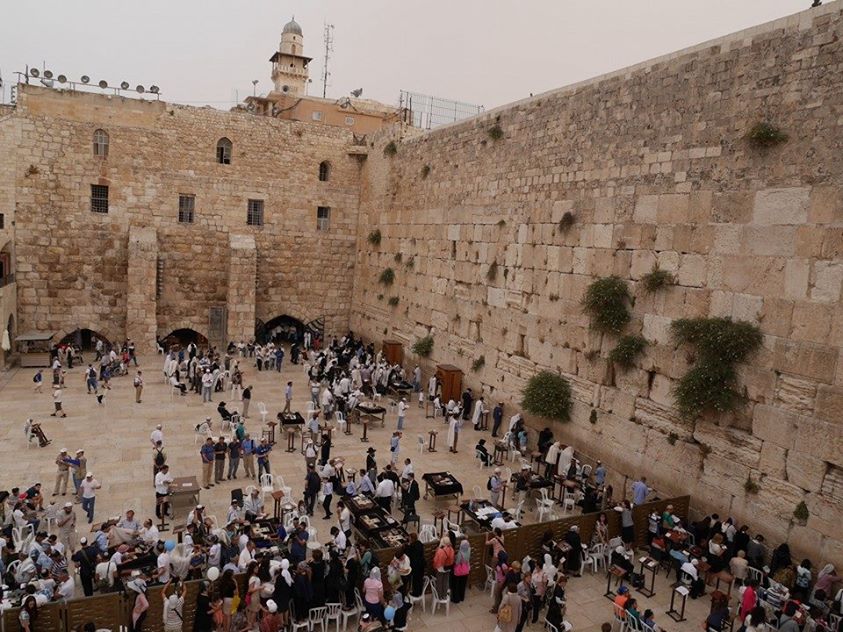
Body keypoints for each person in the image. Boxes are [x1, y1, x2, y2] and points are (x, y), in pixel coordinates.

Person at [452, 539, 471, 603]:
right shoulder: (469, 550)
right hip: (466, 570)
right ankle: (461, 597)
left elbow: (457, 562)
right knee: (463, 584)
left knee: (456, 585)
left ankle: (456, 599)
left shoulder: (460, 553)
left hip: (459, 571)